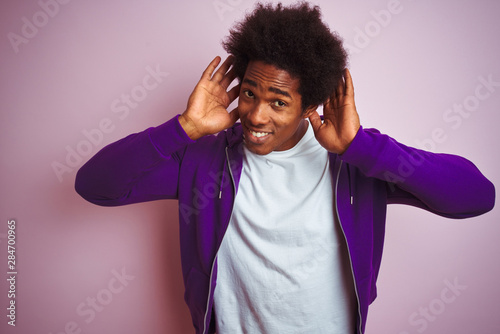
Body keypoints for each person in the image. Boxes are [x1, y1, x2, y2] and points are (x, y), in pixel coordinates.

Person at [75, 2, 495, 334]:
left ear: (308, 105)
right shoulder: (204, 161)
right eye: (251, 94)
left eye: (278, 102)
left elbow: (475, 197)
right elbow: (95, 185)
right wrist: (183, 128)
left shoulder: (355, 165)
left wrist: (360, 146)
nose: (256, 115)